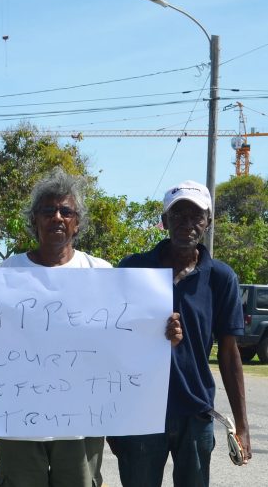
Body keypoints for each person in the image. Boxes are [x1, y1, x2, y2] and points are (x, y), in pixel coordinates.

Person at [0, 168, 181, 487]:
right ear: (35, 221)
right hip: (16, 424)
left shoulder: (101, 274)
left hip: (81, 427)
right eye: (48, 210)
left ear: (77, 223)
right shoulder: (5, 274)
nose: (57, 217)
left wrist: (162, 334)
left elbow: (127, 344)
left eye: (65, 211)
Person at [109, 180, 251, 487]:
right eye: (178, 214)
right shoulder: (133, 268)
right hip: (139, 412)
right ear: (165, 220)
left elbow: (229, 353)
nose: (187, 223)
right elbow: (111, 339)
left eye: (196, 216)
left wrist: (242, 425)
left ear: (208, 222)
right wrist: (112, 421)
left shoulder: (221, 277)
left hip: (196, 412)